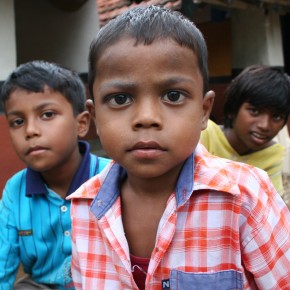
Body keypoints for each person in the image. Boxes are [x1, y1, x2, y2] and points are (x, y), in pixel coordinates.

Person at [67, 5, 290, 290]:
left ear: (204, 111)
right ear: (95, 115)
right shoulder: (83, 208)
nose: (146, 117)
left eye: (173, 95)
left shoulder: (245, 196)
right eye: (120, 99)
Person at [0, 60, 110, 290]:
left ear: (81, 124)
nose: (30, 130)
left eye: (47, 114)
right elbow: (3, 264)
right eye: (18, 121)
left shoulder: (113, 178)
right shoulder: (15, 191)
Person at [200, 65, 290, 195]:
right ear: (233, 109)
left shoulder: (272, 154)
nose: (264, 125)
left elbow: (270, 205)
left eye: (276, 117)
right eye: (254, 111)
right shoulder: (205, 133)